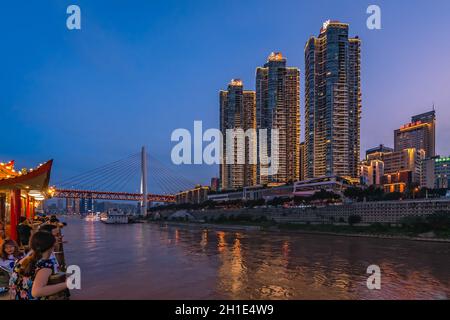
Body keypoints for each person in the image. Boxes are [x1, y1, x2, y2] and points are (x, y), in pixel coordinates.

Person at [9, 231, 67, 300]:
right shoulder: (45, 265)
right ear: (52, 246)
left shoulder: (23, 260)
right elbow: (36, 292)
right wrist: (67, 284)